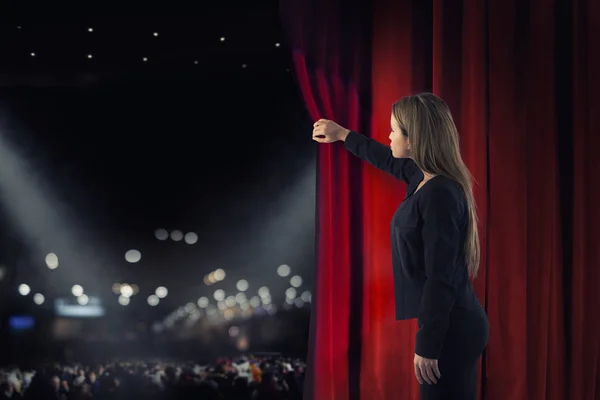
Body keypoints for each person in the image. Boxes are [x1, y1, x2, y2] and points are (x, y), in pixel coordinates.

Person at [312, 92, 490, 399]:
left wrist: (428, 344)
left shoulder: (439, 194)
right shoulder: (424, 178)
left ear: (413, 139)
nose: (389, 135)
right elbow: (386, 159)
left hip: (452, 330)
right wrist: (342, 135)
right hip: (450, 324)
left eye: (394, 130)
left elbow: (440, 276)